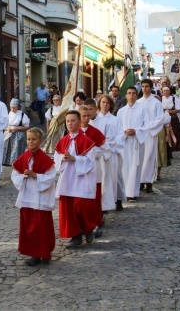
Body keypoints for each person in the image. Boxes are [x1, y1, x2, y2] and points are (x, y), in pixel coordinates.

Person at [11, 128, 57, 266]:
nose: (30, 142)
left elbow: (51, 177)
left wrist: (36, 175)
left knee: (41, 226)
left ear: (40, 141)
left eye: (34, 139)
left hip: (40, 198)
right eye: (28, 139)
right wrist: (23, 175)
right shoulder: (24, 157)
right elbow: (15, 175)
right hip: (27, 197)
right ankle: (35, 254)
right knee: (30, 226)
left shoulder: (45, 159)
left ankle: (45, 252)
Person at [54, 111, 97, 248]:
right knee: (69, 209)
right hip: (67, 179)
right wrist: (62, 158)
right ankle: (75, 236)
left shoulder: (86, 141)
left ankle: (88, 228)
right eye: (67, 121)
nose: (70, 123)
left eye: (73, 121)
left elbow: (90, 161)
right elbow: (56, 158)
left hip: (81, 179)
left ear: (79, 123)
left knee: (81, 207)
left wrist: (75, 159)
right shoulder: (63, 141)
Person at [93, 95, 126, 212]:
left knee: (114, 177)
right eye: (103, 102)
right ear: (99, 104)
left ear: (111, 105)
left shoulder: (115, 119)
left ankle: (117, 200)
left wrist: (110, 143)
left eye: (107, 103)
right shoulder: (95, 120)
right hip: (100, 153)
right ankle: (104, 204)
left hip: (111, 152)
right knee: (102, 179)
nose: (105, 105)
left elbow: (121, 135)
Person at [79, 102, 106, 238]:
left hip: (94, 167)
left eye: (88, 116)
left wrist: (90, 152)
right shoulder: (74, 132)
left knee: (95, 196)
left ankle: (97, 222)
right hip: (78, 170)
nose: (86, 118)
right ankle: (83, 224)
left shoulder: (95, 132)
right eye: (83, 116)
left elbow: (102, 148)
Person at [116, 87, 147, 201]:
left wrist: (136, 131)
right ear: (126, 95)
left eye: (134, 93)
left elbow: (146, 125)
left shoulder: (142, 109)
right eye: (129, 93)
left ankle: (133, 193)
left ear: (136, 96)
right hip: (124, 142)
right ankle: (124, 192)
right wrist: (124, 132)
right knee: (124, 167)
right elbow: (117, 127)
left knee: (135, 167)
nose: (131, 95)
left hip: (136, 142)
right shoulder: (121, 111)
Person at [137, 79, 165, 193]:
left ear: (151, 87)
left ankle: (148, 181)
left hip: (150, 133)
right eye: (143, 86)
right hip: (140, 134)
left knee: (149, 157)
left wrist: (149, 127)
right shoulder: (138, 102)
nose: (144, 88)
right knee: (140, 158)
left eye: (147, 86)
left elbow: (160, 118)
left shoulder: (156, 103)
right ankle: (140, 181)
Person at [2, 98, 30, 166]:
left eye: (14, 108)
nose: (12, 109)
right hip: (8, 133)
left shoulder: (22, 115)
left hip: (18, 134)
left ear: (17, 107)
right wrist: (7, 129)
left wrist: (18, 128)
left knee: (16, 148)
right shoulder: (8, 115)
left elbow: (26, 127)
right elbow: (3, 126)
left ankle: (16, 162)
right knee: (6, 147)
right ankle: (6, 161)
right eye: (11, 108)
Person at [161, 87, 180, 152]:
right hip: (163, 119)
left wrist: (169, 112)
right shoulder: (160, 99)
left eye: (167, 91)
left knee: (175, 132)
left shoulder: (174, 99)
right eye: (164, 91)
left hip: (173, 118)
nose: (166, 92)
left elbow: (178, 110)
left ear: (170, 91)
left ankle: (176, 146)